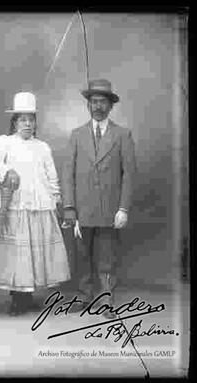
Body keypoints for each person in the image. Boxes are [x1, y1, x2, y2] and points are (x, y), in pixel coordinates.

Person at [0, 91, 70, 315]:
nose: (27, 124)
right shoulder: (5, 144)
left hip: (40, 207)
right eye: (23, 119)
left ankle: (27, 296)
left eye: (31, 120)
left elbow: (51, 178)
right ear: (15, 122)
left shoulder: (43, 147)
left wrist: (57, 200)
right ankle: (17, 299)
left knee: (34, 253)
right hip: (17, 207)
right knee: (18, 255)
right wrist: (6, 172)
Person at [61, 79, 136, 317]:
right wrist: (70, 209)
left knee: (106, 258)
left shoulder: (123, 135)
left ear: (110, 105)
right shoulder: (76, 135)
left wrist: (123, 208)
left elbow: (130, 175)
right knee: (82, 256)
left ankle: (106, 300)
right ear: (88, 105)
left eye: (102, 102)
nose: (98, 106)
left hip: (109, 210)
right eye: (93, 102)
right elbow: (67, 175)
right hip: (82, 210)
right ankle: (84, 297)